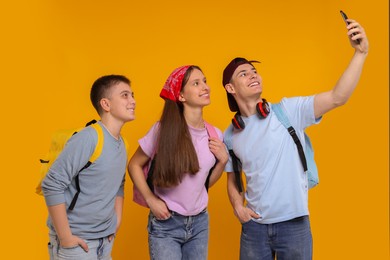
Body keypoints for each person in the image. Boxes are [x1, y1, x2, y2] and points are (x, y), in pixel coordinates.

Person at [222, 18, 369, 259]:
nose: (253, 75)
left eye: (255, 71)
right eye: (244, 73)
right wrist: (239, 208)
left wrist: (360, 54)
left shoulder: (288, 111)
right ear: (231, 88)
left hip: (295, 226)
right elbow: (232, 180)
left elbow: (337, 97)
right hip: (254, 229)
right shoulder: (231, 133)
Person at [128, 65, 228, 260]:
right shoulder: (162, 131)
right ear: (181, 95)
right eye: (196, 83)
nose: (205, 87)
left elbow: (203, 185)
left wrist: (222, 162)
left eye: (205, 81)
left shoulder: (215, 134)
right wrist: (150, 199)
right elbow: (134, 164)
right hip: (166, 223)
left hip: (199, 223)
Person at [41, 75, 136, 260]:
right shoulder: (89, 138)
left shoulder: (123, 143)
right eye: (125, 95)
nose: (133, 100)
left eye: (132, 95)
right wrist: (66, 237)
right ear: (106, 104)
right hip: (77, 243)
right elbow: (51, 183)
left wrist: (116, 222)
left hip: (104, 241)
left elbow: (118, 183)